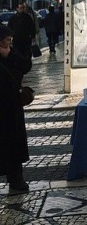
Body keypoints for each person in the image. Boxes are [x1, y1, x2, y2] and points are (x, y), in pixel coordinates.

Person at [0, 25, 32, 193]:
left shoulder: (11, 53)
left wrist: (10, 54)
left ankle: (16, 180)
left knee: (14, 146)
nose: (10, 43)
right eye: (7, 40)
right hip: (3, 108)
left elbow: (27, 65)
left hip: (12, 108)